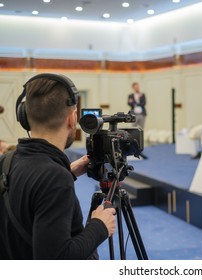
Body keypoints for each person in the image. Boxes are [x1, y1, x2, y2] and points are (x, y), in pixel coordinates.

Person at [0, 74, 116, 259]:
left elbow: (30, 195)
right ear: (72, 118)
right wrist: (100, 227)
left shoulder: (7, 160)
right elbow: (56, 260)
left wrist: (67, 172)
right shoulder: (55, 178)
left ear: (24, 117)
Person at [128, 82, 148, 159]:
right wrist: (135, 102)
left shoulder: (142, 95)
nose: (137, 88)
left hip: (142, 114)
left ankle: (141, 146)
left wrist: (135, 102)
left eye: (138, 86)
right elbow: (129, 103)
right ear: (133, 87)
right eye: (135, 87)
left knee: (141, 130)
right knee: (133, 130)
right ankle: (133, 146)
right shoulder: (131, 95)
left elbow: (144, 103)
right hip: (134, 115)